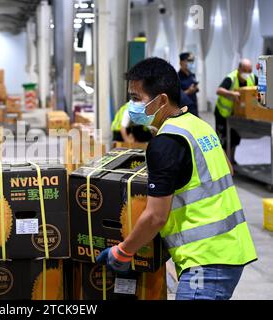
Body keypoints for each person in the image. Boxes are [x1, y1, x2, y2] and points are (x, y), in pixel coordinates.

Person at [97, 57, 257, 300]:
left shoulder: (165, 143)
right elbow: (227, 168)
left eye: (136, 98)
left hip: (207, 261)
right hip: (229, 249)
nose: (131, 106)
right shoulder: (197, 124)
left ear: (161, 100)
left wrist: (123, 251)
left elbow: (155, 216)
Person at [215, 59, 258, 162]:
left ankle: (232, 161)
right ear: (239, 69)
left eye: (249, 70)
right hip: (223, 114)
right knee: (223, 140)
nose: (247, 73)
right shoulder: (231, 78)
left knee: (234, 138)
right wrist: (232, 94)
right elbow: (219, 90)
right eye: (245, 70)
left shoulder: (252, 77)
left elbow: (261, 88)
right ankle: (223, 164)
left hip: (237, 116)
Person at [178, 52, 199, 117]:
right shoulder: (177, 77)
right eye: (188, 61)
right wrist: (188, 91)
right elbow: (177, 95)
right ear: (181, 63)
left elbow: (196, 89)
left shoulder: (192, 75)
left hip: (194, 106)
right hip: (184, 109)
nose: (190, 63)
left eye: (191, 61)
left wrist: (196, 89)